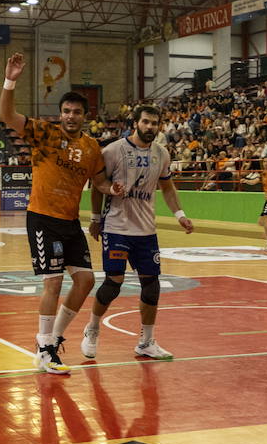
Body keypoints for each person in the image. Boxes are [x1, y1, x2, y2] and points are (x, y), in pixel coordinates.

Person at [0, 52, 123, 375]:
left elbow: (98, 181)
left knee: (85, 280)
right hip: (42, 218)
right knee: (52, 284)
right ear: (60, 114)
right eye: (66, 111)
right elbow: (7, 115)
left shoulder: (92, 147)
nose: (71, 116)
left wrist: (112, 189)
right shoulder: (44, 133)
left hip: (70, 222)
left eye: (77, 112)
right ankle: (42, 347)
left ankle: (53, 339)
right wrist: (10, 80)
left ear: (85, 115)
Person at [81, 105, 193, 361]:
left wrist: (180, 215)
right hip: (117, 227)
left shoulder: (162, 154)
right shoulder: (112, 151)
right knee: (113, 284)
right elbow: (97, 186)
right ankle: (93, 329)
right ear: (136, 123)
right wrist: (96, 218)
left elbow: (167, 188)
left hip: (146, 230)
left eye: (155, 123)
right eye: (146, 122)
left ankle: (146, 342)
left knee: (151, 286)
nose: (150, 127)